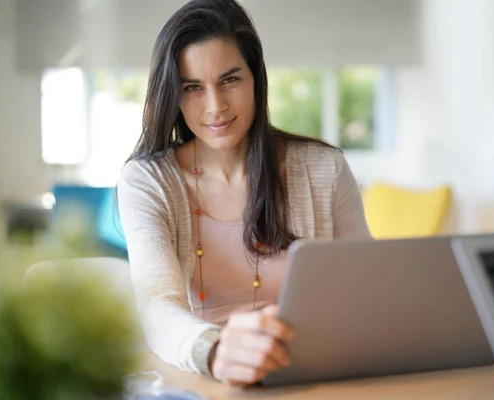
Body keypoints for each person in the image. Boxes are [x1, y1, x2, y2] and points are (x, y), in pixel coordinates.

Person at [117, 0, 371, 387]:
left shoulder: (324, 168)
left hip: (315, 377)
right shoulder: (148, 181)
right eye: (192, 87)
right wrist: (215, 351)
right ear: (174, 94)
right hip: (208, 377)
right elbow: (157, 306)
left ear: (256, 78)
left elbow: (367, 289)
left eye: (229, 80)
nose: (215, 107)